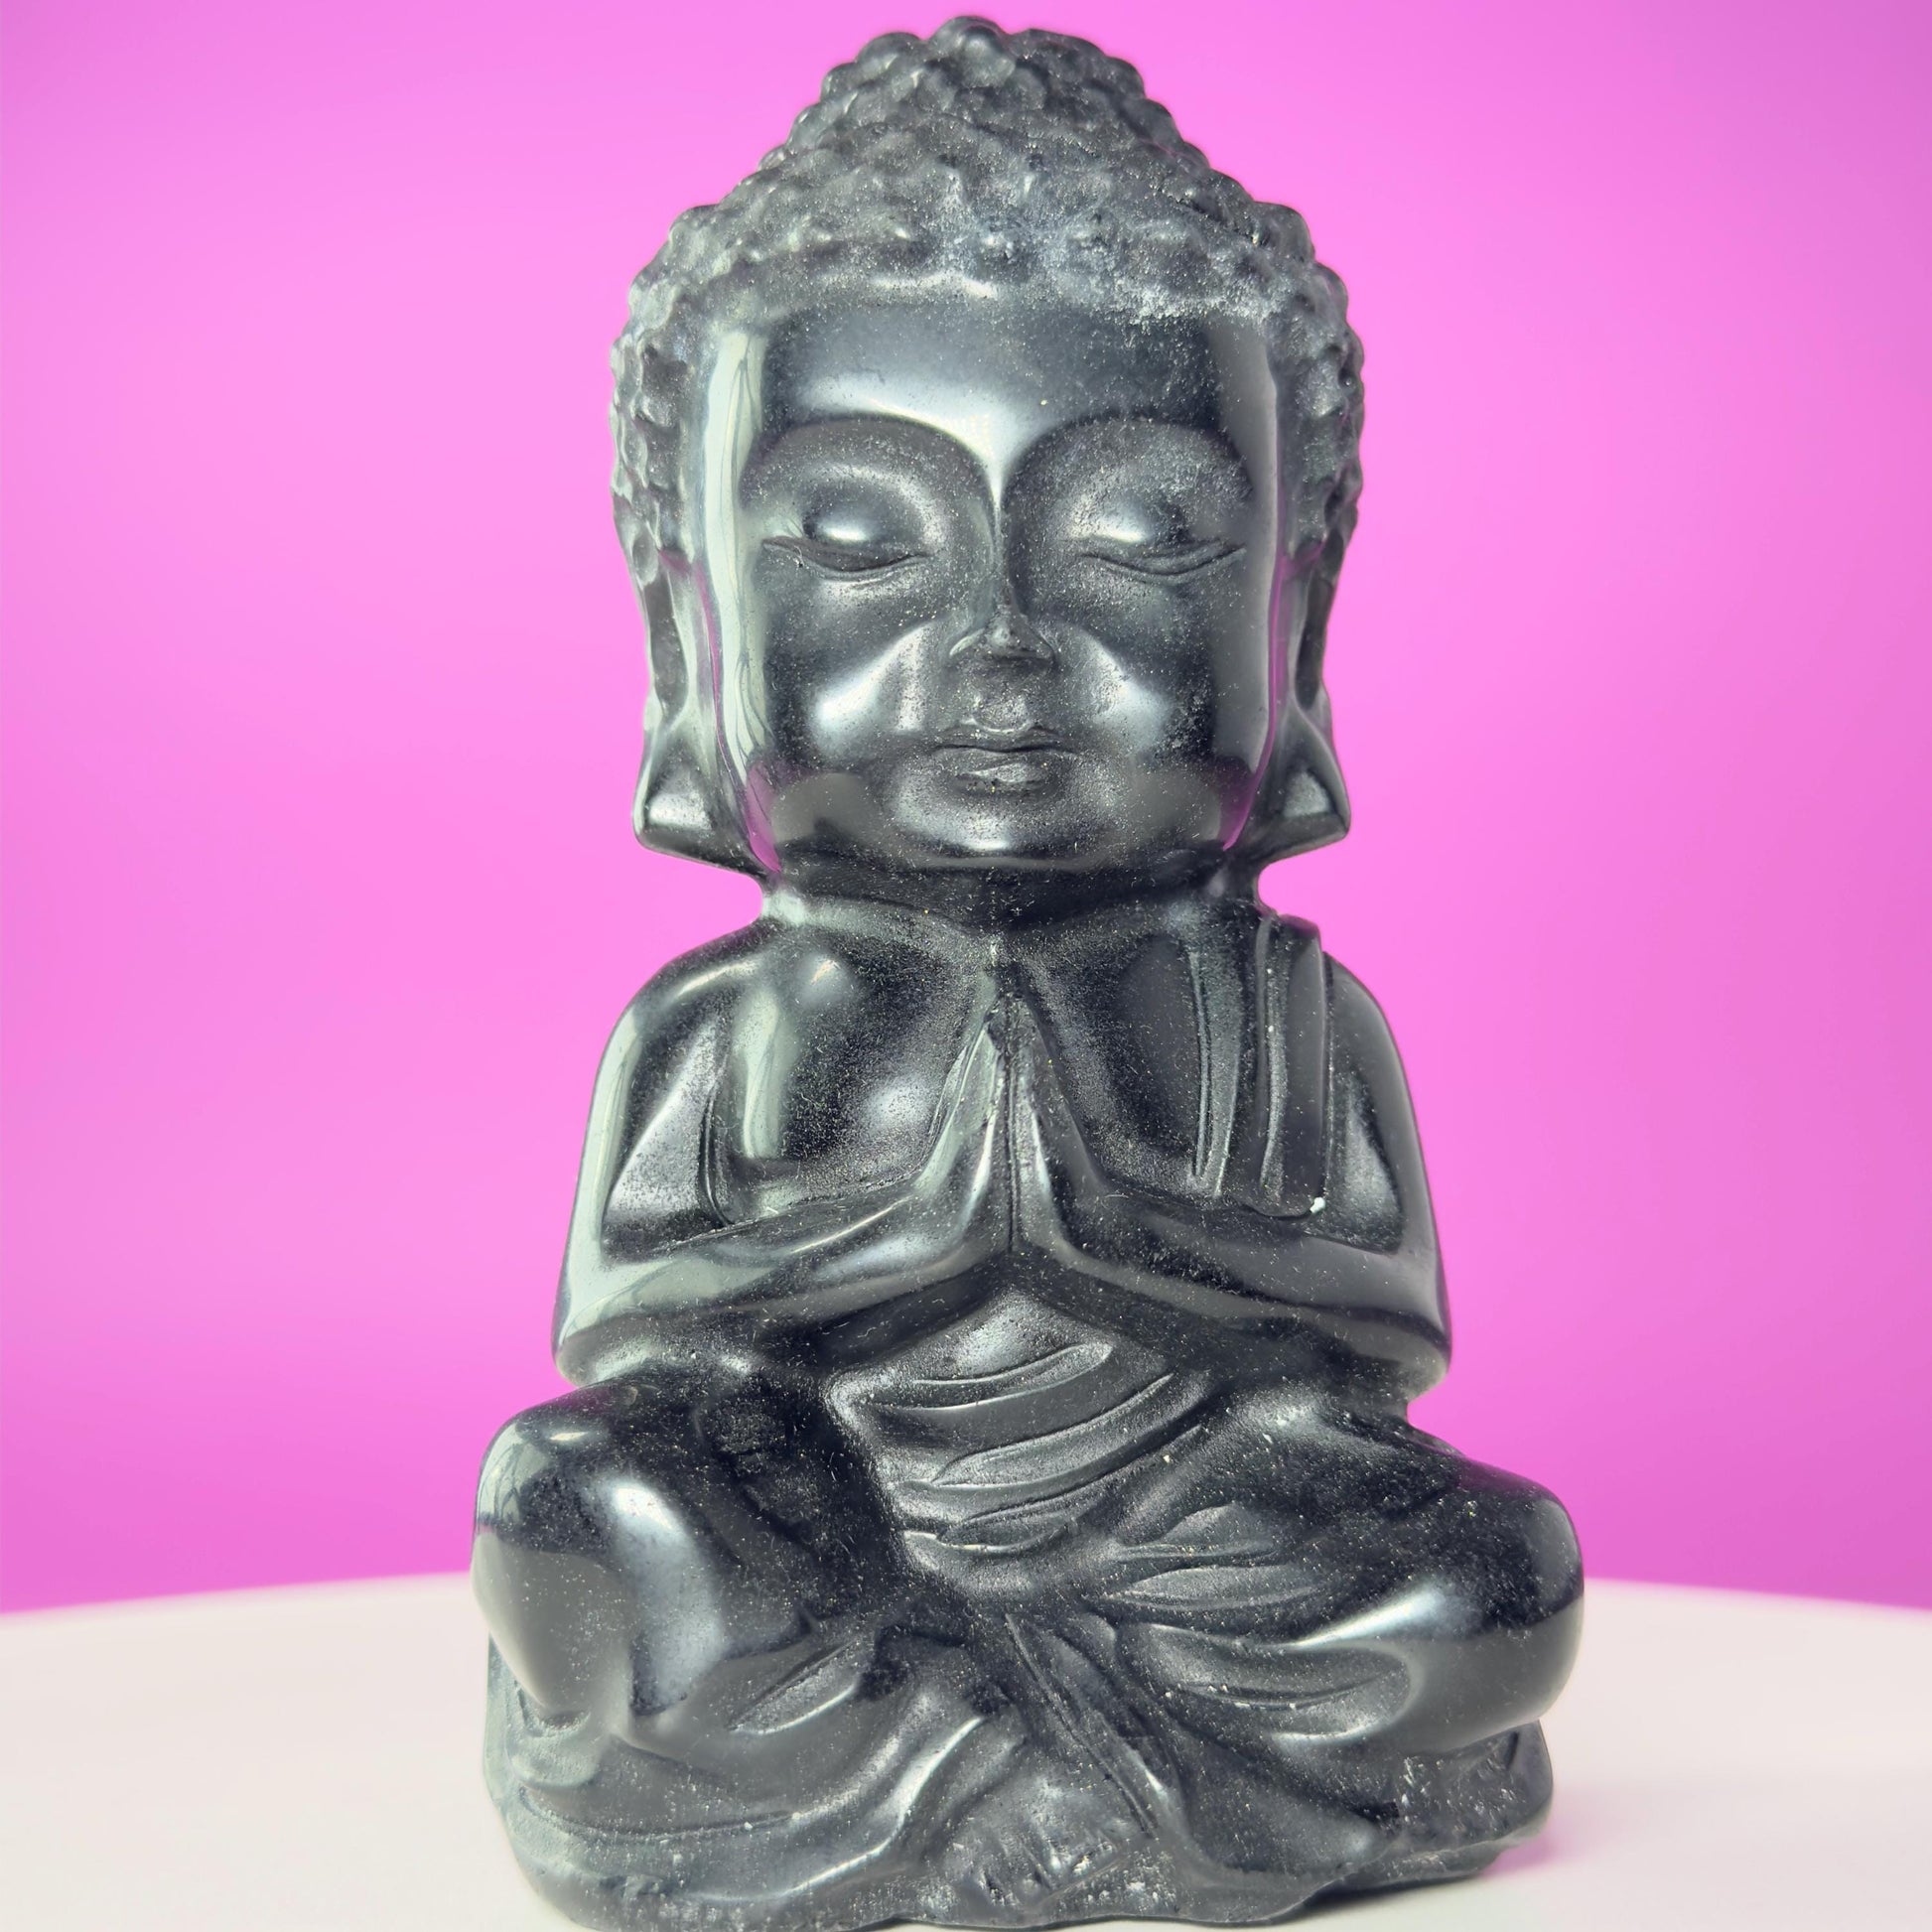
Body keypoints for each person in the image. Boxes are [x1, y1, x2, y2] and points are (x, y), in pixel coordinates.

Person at [474, 22, 1581, 1928]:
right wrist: (912, 1240)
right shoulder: (711, 1022)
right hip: (822, 1523)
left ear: (1293, 622)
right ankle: (1036, 1745)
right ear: (686, 631)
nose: (999, 643)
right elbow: (642, 1338)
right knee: (586, 1496)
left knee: (1490, 1573)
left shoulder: (1287, 1013)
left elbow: (1371, 1352)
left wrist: (1108, 1233)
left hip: (1187, 1520)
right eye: (854, 542)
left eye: (1141, 540)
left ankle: (946, 1741)